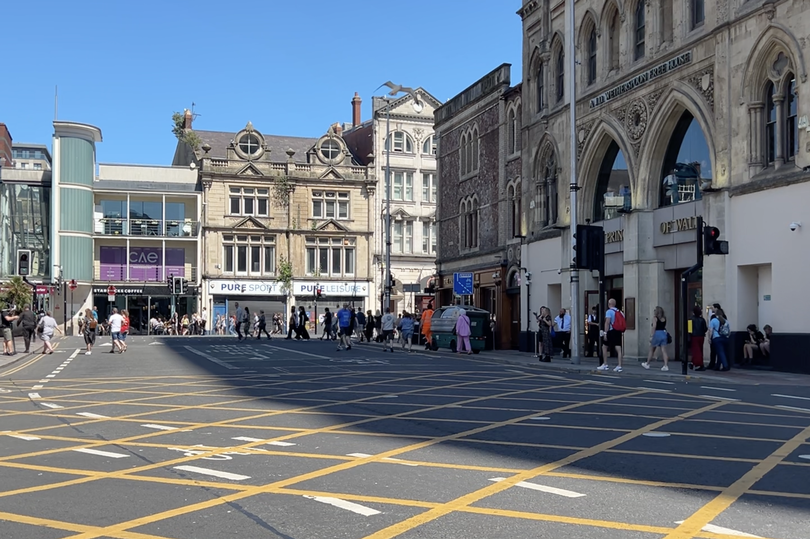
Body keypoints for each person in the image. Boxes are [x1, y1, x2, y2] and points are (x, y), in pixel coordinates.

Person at [598, 298, 624, 373]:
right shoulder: (620, 312)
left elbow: (607, 322)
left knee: (604, 346)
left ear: (609, 304)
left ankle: (605, 364)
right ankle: (619, 365)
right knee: (618, 348)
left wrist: (605, 333)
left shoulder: (609, 311)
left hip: (611, 330)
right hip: (618, 331)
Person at [642, 306, 670, 371]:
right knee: (664, 351)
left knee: (652, 349)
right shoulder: (664, 318)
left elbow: (654, 327)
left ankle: (647, 363)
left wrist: (651, 335)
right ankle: (666, 365)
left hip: (657, 334)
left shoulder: (655, 318)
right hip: (663, 333)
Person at [689, 306, 707, 371]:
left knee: (696, 351)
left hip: (694, 336)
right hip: (701, 336)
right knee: (700, 350)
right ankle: (694, 362)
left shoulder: (690, 319)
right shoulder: (702, 320)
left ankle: (698, 364)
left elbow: (689, 330)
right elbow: (705, 328)